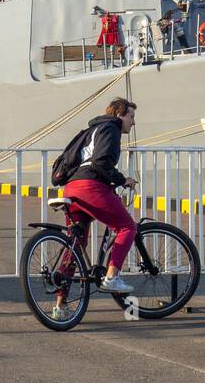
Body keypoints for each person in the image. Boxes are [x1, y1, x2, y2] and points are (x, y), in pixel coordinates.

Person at [52, 97, 140, 318]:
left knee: (76, 245)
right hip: (91, 187)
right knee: (127, 227)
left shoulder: (90, 130)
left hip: (71, 189)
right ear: (119, 114)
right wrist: (122, 180)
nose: (133, 122)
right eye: (131, 116)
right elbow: (101, 163)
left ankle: (60, 307)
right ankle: (112, 276)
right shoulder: (111, 128)